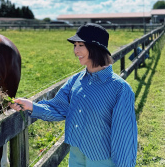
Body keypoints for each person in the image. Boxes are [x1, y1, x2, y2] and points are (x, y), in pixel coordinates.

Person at [9, 23, 137, 167]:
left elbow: (124, 137)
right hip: (75, 156)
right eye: (75, 45)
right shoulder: (75, 81)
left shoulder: (120, 89)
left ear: (96, 48)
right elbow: (58, 108)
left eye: (80, 45)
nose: (75, 51)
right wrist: (31, 106)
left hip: (103, 160)